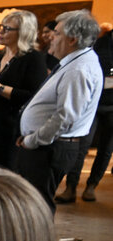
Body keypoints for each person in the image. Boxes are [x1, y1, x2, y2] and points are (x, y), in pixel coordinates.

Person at [16, 10, 103, 213]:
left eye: (56, 33)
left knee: (37, 208)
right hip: (47, 146)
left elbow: (66, 117)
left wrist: (33, 139)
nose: (50, 38)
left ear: (72, 39)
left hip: (50, 148)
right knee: (31, 206)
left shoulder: (78, 69)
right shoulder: (75, 63)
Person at [0, 10, 47, 170]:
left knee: (1, 176)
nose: (1, 31)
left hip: (9, 131)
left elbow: (32, 97)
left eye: (7, 28)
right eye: (1, 27)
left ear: (23, 33)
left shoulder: (33, 59)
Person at [56, 23, 113, 203]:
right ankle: (71, 187)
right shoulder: (99, 42)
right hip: (93, 102)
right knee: (82, 143)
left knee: (106, 148)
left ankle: (91, 185)